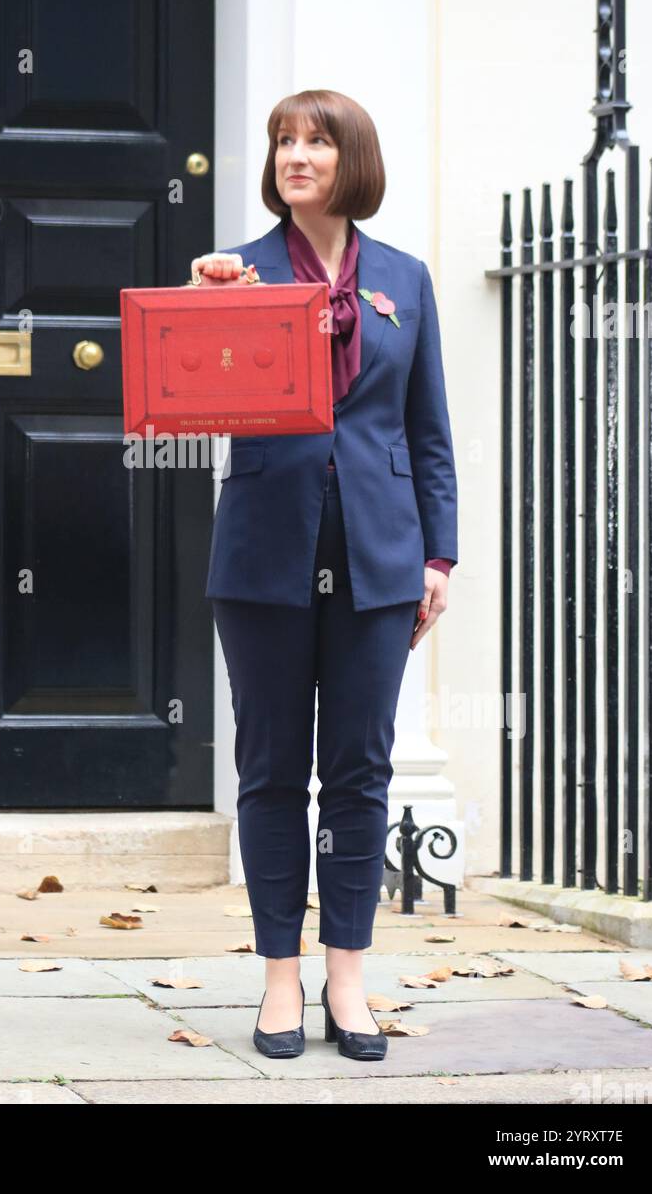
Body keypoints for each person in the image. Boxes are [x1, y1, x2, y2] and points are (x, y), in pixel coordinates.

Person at [190, 89, 458, 1061]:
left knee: (358, 771)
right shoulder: (239, 272)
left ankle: (349, 974)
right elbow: (195, 386)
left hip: (380, 557)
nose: (296, 155)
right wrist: (210, 307)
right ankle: (278, 979)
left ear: (354, 160)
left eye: (316, 141)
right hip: (263, 555)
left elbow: (427, 433)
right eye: (283, 142)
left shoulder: (406, 280)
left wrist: (438, 553)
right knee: (269, 772)